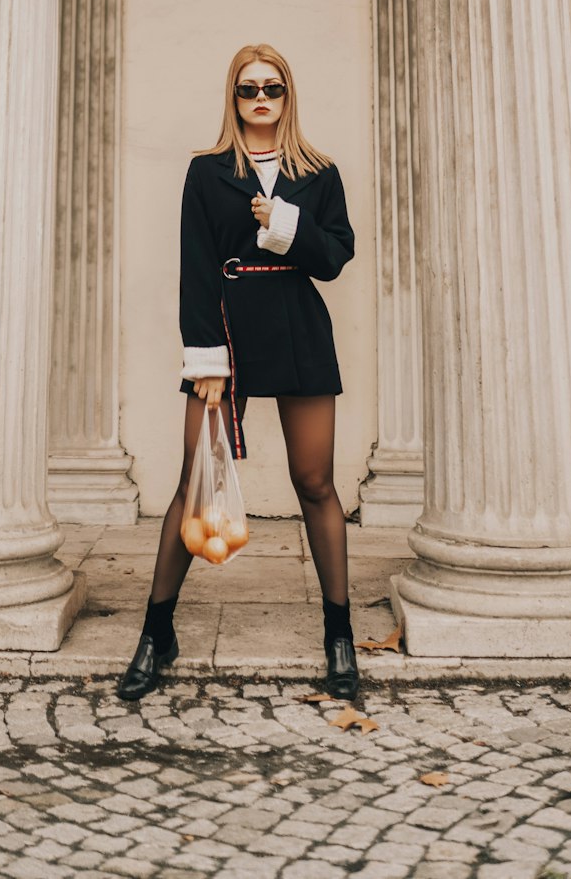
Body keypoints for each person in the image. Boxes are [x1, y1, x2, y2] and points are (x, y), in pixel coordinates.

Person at [117, 43, 358, 702]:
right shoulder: (207, 171)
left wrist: (284, 222)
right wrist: (208, 359)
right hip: (225, 333)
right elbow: (196, 270)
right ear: (233, 95)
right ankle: (155, 632)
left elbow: (335, 256)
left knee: (315, 481)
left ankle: (339, 634)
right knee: (195, 483)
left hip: (299, 327)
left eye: (272, 88)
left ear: (287, 97)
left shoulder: (320, 172)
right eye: (249, 87)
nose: (260, 97)